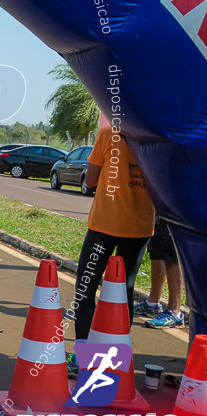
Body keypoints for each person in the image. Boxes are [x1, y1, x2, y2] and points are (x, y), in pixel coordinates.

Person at [67, 126, 154, 374]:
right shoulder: (155, 138)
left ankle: (83, 355)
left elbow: (90, 180)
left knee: (86, 286)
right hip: (139, 227)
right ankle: (118, 358)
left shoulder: (109, 134)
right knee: (124, 291)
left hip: (105, 225)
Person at [135, 218, 185, 329]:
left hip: (176, 208)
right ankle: (152, 304)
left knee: (172, 251)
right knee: (157, 245)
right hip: (161, 204)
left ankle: (175, 313)